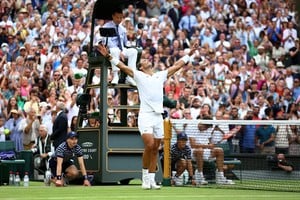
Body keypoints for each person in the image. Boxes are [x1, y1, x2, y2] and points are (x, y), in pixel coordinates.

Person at [97, 40, 199, 189]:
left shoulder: (160, 75)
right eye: (144, 60)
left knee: (156, 147)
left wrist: (190, 52)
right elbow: (123, 67)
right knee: (150, 145)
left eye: (146, 58)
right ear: (141, 67)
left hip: (158, 117)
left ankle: (151, 179)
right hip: (145, 116)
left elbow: (177, 65)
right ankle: (145, 177)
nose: (146, 59)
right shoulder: (138, 75)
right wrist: (108, 56)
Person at [189, 119, 234, 185]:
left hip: (206, 151)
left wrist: (211, 146)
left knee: (219, 150)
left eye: (207, 128)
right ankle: (199, 176)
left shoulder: (207, 130)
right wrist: (207, 146)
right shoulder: (191, 128)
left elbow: (210, 143)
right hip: (193, 152)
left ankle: (220, 177)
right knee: (200, 151)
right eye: (205, 127)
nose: (206, 129)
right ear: (202, 124)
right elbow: (193, 145)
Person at [103, 7, 138, 86]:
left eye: (121, 18)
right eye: (117, 17)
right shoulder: (106, 26)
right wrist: (119, 51)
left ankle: (130, 77)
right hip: (111, 50)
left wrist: (134, 39)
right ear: (113, 16)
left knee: (134, 51)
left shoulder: (122, 29)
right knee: (114, 50)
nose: (119, 19)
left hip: (122, 50)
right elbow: (107, 41)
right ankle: (115, 75)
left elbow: (125, 43)